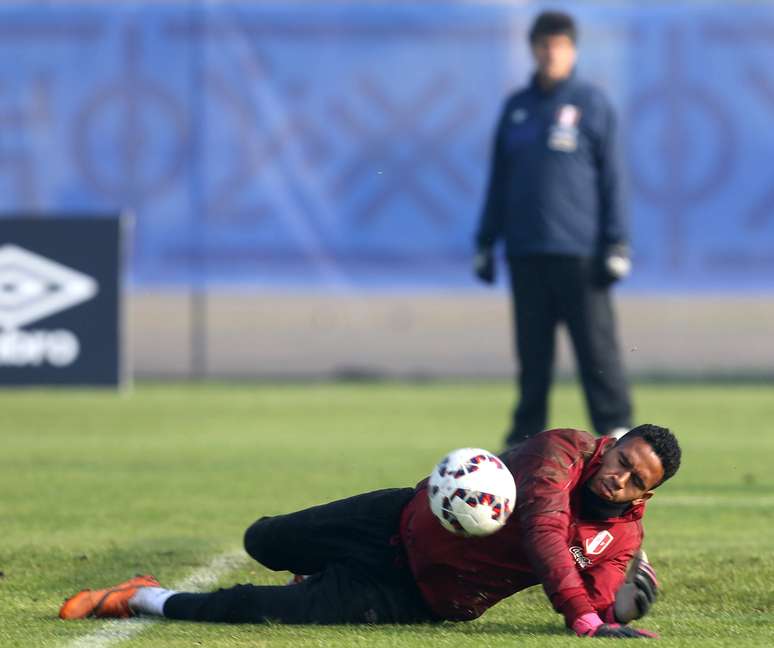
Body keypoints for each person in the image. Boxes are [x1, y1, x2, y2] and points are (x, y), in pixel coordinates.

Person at [60, 424, 680, 639]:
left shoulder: (622, 538)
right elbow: (545, 530)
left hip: (416, 595)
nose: (618, 479)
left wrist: (614, 604)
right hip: (394, 518)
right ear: (612, 445)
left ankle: (141, 596)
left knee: (257, 609)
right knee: (263, 540)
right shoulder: (562, 450)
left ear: (645, 494)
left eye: (634, 479)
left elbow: (599, 602)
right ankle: (316, 573)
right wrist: (583, 614)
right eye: (622, 460)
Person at [473, 10, 633, 447]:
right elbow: (499, 180)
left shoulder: (591, 104)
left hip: (579, 251)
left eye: (559, 45)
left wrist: (616, 241)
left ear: (573, 50)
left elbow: (613, 178)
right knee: (532, 356)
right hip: (526, 250)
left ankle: (616, 430)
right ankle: (524, 440)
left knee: (596, 350)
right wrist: (486, 241)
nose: (551, 53)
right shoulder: (518, 108)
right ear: (533, 49)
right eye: (544, 44)